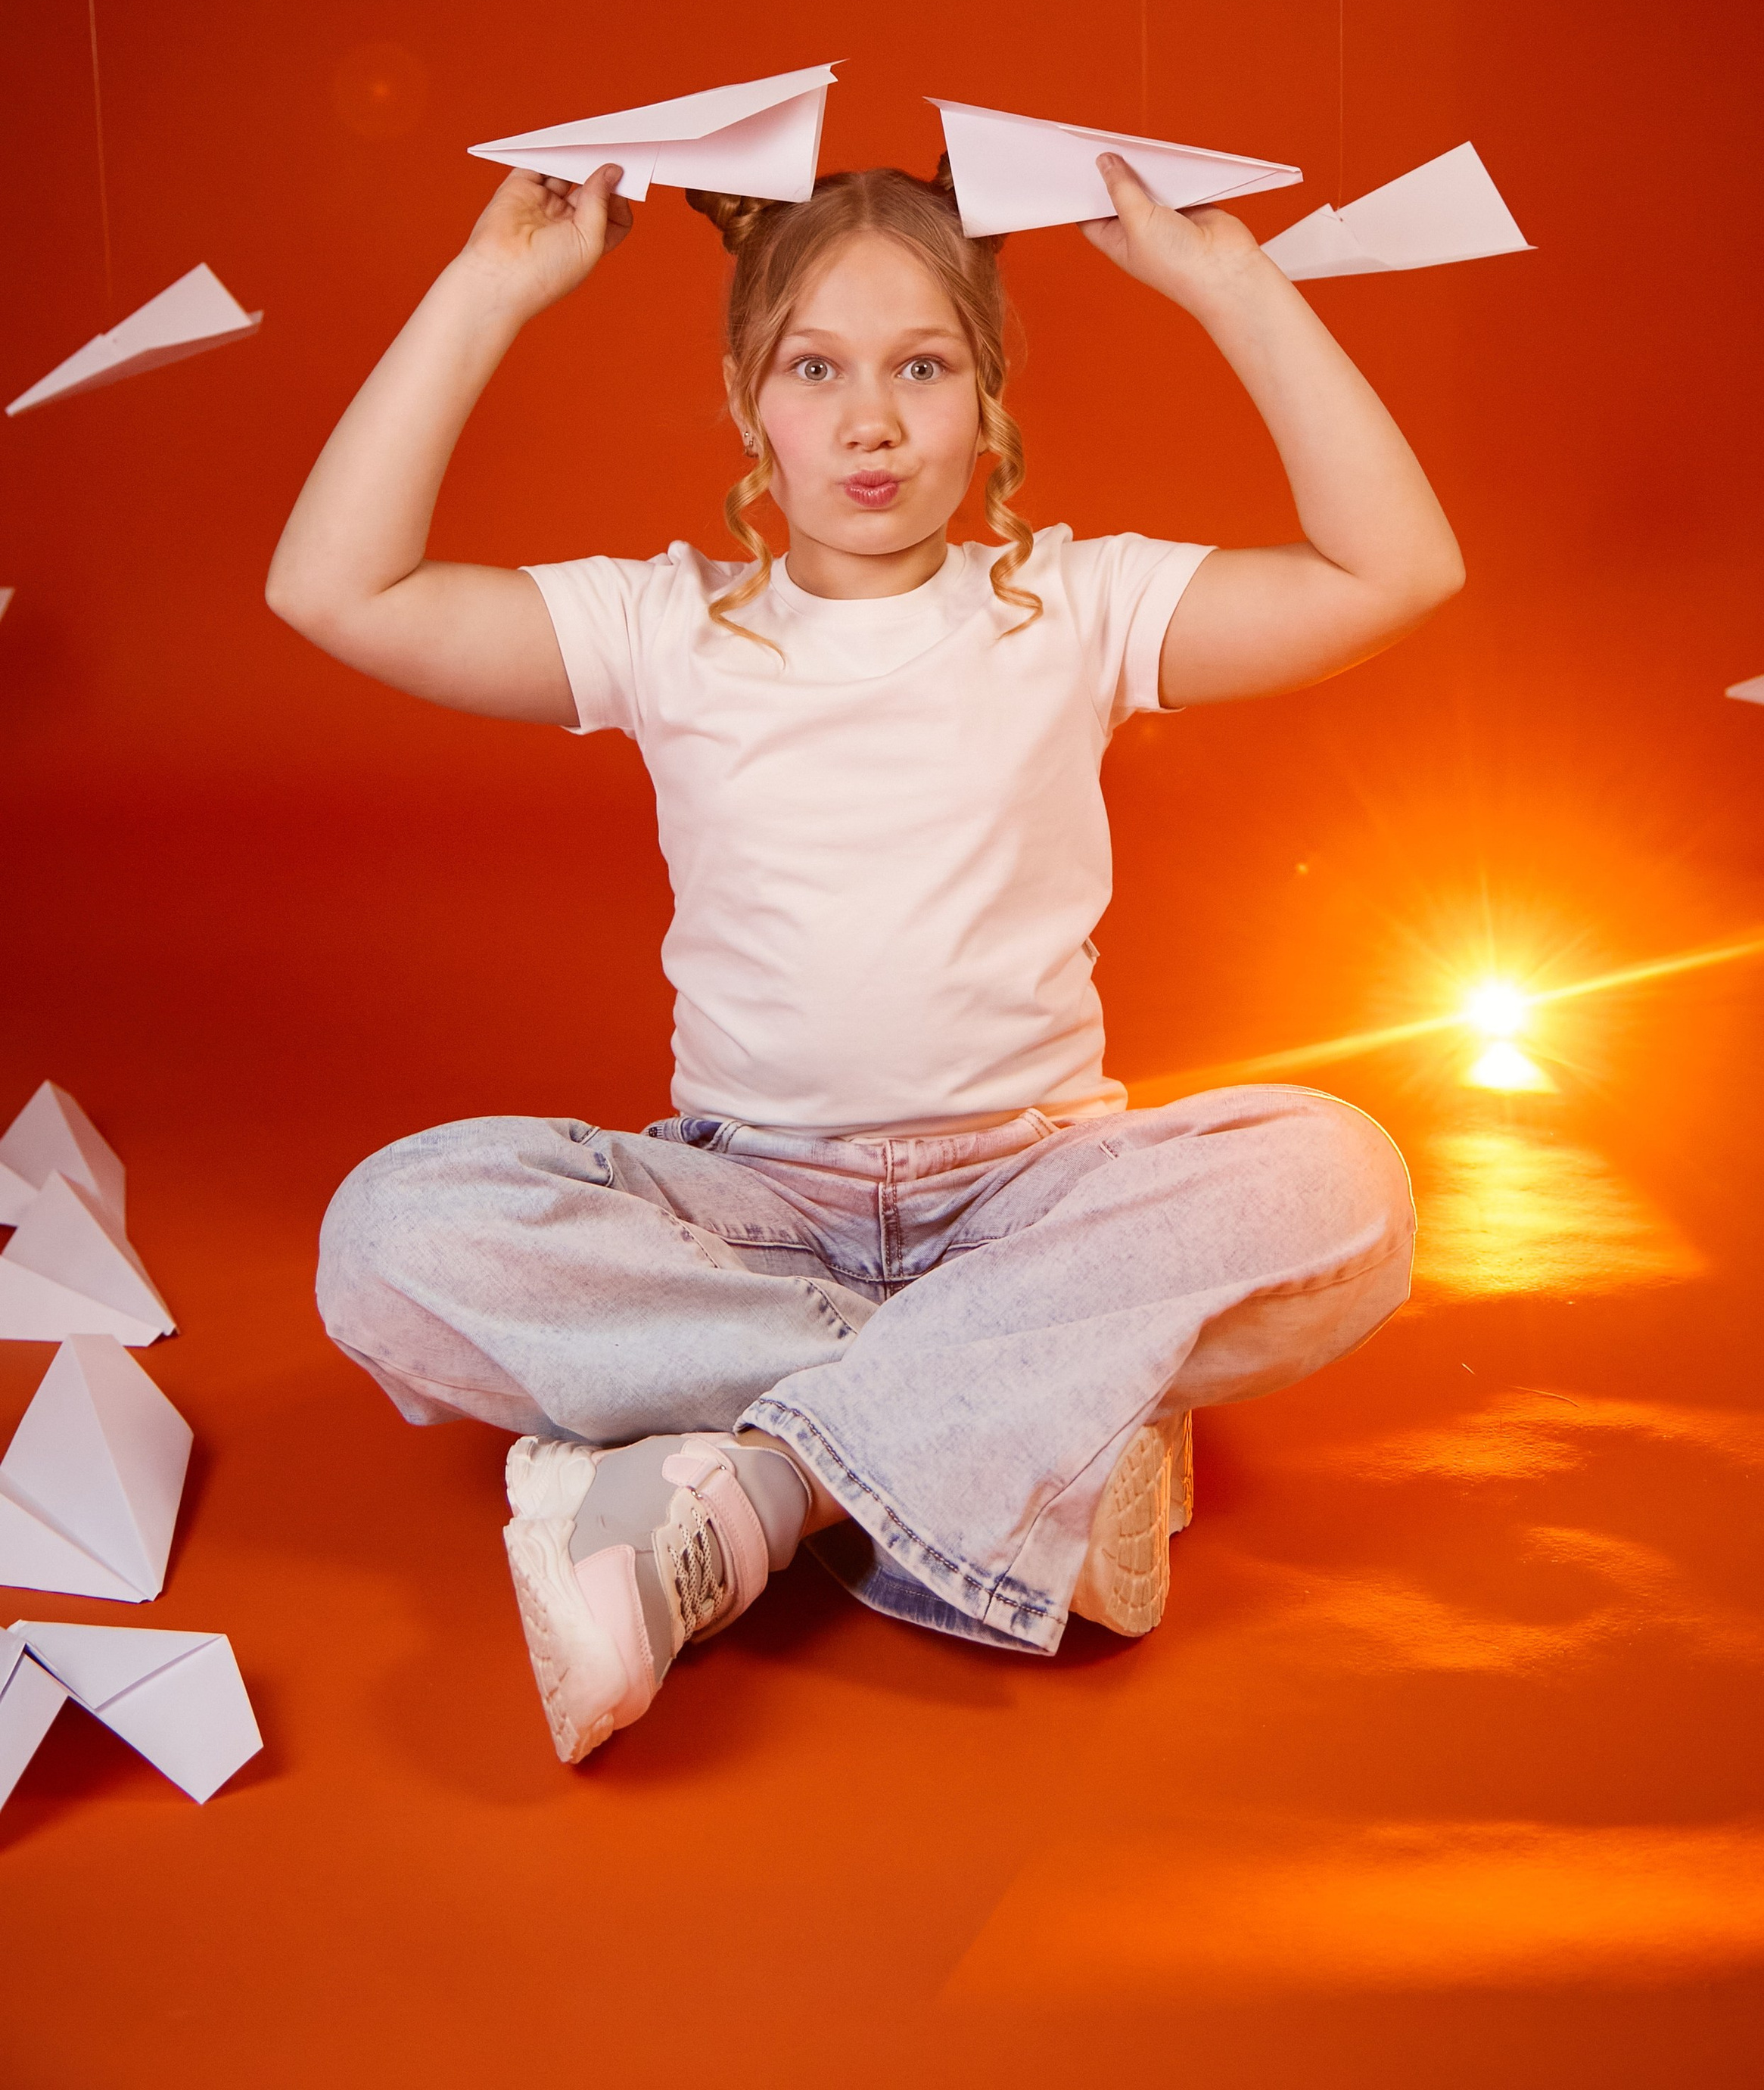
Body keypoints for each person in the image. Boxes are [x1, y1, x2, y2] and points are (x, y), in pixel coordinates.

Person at [272, 143, 1463, 1765]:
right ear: (744, 400)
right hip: (749, 1208)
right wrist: (494, 287)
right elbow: (332, 589)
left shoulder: (1075, 606)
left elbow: (1396, 571)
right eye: (813, 371)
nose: (871, 421)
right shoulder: (662, 625)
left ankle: (760, 1483)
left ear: (987, 396)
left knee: (1338, 1188)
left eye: (922, 367)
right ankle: (1017, 1422)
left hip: (1028, 1194)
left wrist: (1226, 282)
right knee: (389, 1235)